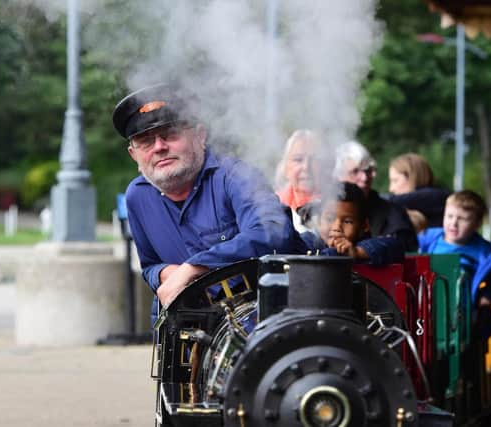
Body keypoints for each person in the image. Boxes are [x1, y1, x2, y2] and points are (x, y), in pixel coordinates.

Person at [112, 83, 305, 325]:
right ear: (134, 155)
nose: (159, 147)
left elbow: (273, 232)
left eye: (170, 134)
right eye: (146, 141)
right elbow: (150, 265)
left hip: (260, 324)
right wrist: (164, 273)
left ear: (200, 135)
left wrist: (193, 268)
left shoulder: (237, 176)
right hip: (187, 330)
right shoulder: (137, 197)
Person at [418, 190, 491, 338]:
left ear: (477, 224)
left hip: (462, 311)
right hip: (427, 307)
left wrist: (485, 303)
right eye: (449, 216)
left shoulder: (483, 252)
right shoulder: (428, 239)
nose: (454, 223)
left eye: (463, 219)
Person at [333, 141, 419, 252]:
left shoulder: (394, 214)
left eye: (367, 170)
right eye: (355, 171)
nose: (364, 178)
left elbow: (403, 253)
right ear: (338, 176)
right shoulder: (322, 211)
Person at [302, 182, 405, 265]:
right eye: (329, 218)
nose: (337, 228)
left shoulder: (362, 247)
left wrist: (357, 252)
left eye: (347, 221)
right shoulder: (310, 242)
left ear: (364, 226)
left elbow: (395, 246)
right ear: (319, 221)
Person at [275, 129, 323, 232]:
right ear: (286, 168)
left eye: (313, 160)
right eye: (298, 159)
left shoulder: (337, 204)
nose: (306, 167)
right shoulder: (274, 204)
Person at [388, 153, 450, 229]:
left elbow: (391, 201)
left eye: (395, 180)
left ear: (412, 178)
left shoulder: (435, 196)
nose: (391, 188)